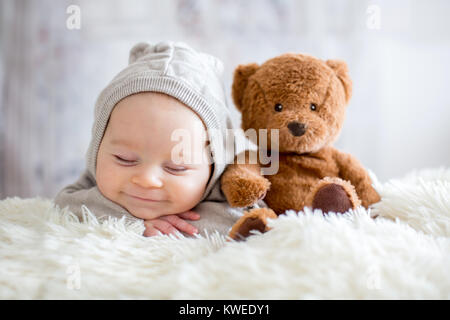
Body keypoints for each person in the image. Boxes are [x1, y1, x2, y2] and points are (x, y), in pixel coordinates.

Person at [54, 41, 263, 237]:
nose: (147, 179)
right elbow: (65, 204)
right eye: (124, 158)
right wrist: (131, 222)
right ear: (98, 148)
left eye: (176, 167)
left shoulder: (231, 189)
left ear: (214, 167)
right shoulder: (93, 181)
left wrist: (183, 226)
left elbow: (248, 222)